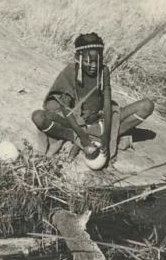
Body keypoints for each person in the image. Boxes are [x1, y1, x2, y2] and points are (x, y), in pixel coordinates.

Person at [31, 32, 154, 164]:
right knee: (38, 116)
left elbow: (107, 103)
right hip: (74, 124)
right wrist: (82, 137)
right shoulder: (70, 71)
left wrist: (107, 136)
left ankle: (105, 136)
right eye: (88, 61)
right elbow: (66, 110)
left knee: (147, 105)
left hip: (100, 121)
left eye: (98, 60)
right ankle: (75, 138)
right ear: (77, 57)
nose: (94, 65)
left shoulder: (103, 71)